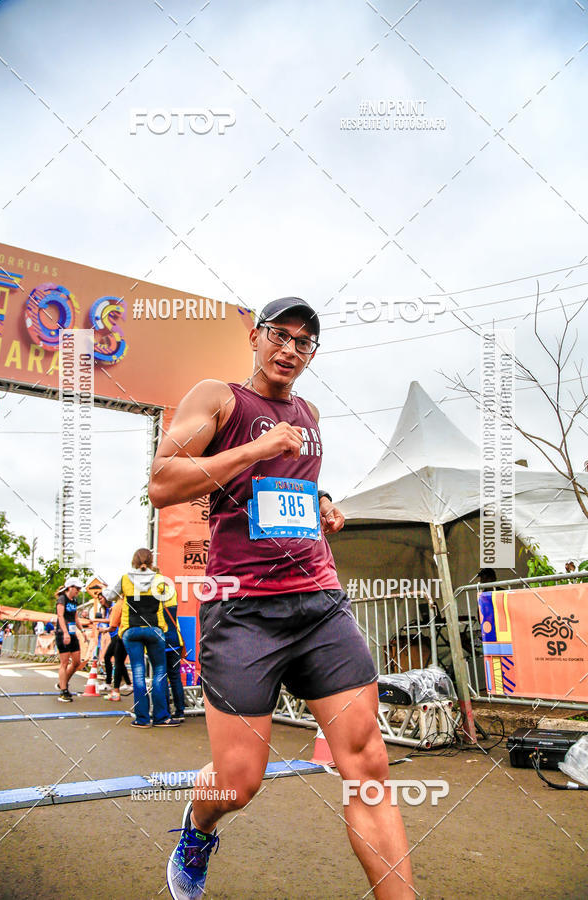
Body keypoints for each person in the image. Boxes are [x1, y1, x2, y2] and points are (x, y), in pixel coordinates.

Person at [149, 297, 414, 899]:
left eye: (304, 342)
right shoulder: (218, 398)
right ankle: (196, 831)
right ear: (256, 337)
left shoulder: (309, 412)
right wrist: (252, 450)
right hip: (243, 610)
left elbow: (291, 487)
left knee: (368, 768)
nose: (291, 349)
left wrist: (322, 506)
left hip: (318, 602)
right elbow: (162, 482)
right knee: (238, 782)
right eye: (281, 335)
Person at [112, 549, 181, 728]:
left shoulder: (125, 579)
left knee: (138, 674)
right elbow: (168, 602)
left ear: (133, 561)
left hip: (131, 630)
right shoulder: (160, 580)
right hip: (154, 630)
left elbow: (109, 596)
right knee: (159, 672)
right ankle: (161, 717)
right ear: (151, 562)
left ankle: (142, 718)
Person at [55, 576, 85, 702]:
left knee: (77, 662)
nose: (78, 590)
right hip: (63, 633)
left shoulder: (74, 601)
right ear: (70, 588)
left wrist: (82, 630)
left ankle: (63, 682)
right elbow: (60, 616)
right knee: (64, 662)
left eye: (79, 588)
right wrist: (65, 633)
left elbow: (75, 617)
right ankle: (63, 690)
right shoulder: (62, 599)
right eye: (76, 588)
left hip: (73, 633)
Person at [101, 589, 132, 700]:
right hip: (139, 634)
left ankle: (116, 691)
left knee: (118, 662)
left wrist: (104, 630)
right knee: (138, 664)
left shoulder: (120, 603)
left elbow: (113, 624)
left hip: (123, 634)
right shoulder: (134, 600)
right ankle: (136, 690)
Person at [162, 582, 185, 720]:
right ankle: (180, 711)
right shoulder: (172, 594)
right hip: (175, 641)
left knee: (162, 677)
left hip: (160, 642)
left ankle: (165, 711)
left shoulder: (152, 599)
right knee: (175, 677)